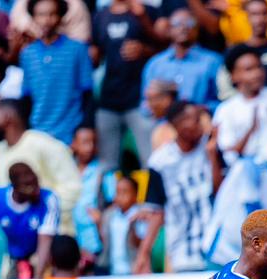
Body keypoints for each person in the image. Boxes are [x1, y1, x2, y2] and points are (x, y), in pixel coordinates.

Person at [0, 98, 82, 235]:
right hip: (17, 242)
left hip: (54, 237)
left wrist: (40, 211)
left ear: (8, 116)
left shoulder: (42, 143)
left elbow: (73, 188)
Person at [148, 101, 222, 272]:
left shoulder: (211, 148)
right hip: (183, 252)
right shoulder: (159, 162)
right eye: (194, 120)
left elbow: (221, 194)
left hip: (216, 250)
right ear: (177, 124)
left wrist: (212, 157)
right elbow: (157, 211)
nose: (200, 126)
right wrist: (144, 253)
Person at [91, 0, 157, 168]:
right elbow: (95, 55)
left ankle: (150, 195)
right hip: (108, 100)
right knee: (107, 166)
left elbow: (164, 47)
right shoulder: (100, 16)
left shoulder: (145, 11)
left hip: (140, 100)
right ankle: (112, 195)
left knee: (150, 161)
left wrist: (143, 50)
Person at [213, 44, 267, 166]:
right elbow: (229, 155)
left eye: (259, 67)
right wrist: (251, 130)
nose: (257, 73)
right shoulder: (226, 110)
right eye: (249, 70)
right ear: (234, 76)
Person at [19, 0, 94, 144]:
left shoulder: (77, 49)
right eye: (41, 15)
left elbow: (87, 93)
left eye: (52, 14)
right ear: (33, 18)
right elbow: (27, 96)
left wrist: (85, 127)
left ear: (61, 17)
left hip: (70, 131)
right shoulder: (27, 54)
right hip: (38, 132)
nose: (46, 20)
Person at [141, 9, 222, 110]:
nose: (183, 27)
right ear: (169, 29)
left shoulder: (213, 61)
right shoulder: (155, 64)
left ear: (197, 28)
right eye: (177, 23)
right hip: (163, 123)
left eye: (189, 23)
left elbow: (224, 101)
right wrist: (156, 106)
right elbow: (144, 105)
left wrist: (201, 109)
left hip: (202, 122)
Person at [71, 126, 105, 262]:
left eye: (93, 142)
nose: (90, 147)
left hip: (94, 239)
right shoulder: (66, 169)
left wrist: (101, 220)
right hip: (71, 237)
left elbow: (114, 202)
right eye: (85, 142)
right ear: (73, 144)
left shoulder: (102, 171)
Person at [9, 0, 91, 42]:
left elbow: (81, 44)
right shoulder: (21, 5)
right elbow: (16, 36)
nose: (47, 19)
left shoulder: (76, 7)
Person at [144, 78, 179, 152]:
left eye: (151, 99)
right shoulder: (160, 130)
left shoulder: (184, 126)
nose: (146, 105)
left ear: (166, 99)